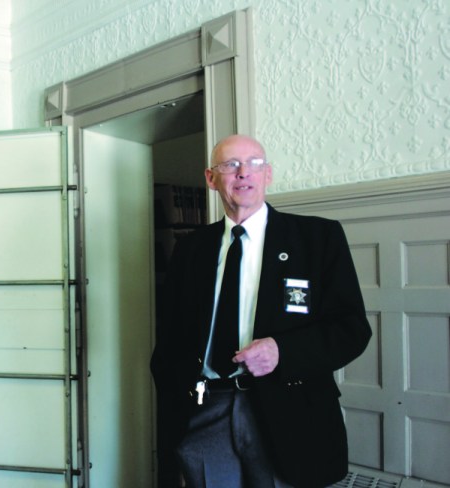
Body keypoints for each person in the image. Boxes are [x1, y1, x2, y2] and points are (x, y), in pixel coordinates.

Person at [151, 134, 372, 488]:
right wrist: (179, 399)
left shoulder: (317, 238)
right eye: (230, 165)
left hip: (286, 412)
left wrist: (282, 352)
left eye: (253, 163)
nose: (243, 173)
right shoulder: (191, 249)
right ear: (211, 179)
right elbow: (171, 338)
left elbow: (351, 329)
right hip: (206, 411)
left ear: (267, 174)